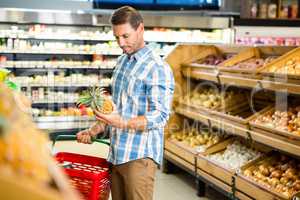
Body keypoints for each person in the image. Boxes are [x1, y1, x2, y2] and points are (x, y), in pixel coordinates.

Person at [76, 6, 175, 200]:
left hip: (139, 157)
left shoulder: (157, 67)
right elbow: (116, 107)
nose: (121, 43)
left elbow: (160, 116)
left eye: (126, 36)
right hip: (115, 153)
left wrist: (121, 122)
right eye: (117, 38)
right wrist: (94, 130)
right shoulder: (123, 61)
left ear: (140, 29)